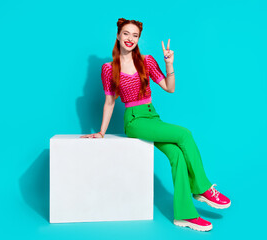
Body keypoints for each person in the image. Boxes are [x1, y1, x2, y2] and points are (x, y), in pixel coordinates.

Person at [80, 18, 231, 232]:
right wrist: (101, 132)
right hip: (134, 120)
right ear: (118, 35)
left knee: (177, 155)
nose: (130, 38)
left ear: (139, 39)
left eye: (135, 35)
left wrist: (169, 64)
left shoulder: (147, 61)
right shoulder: (108, 68)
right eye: (126, 33)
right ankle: (202, 188)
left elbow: (170, 88)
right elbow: (109, 101)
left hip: (153, 117)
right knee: (185, 134)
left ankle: (185, 215)